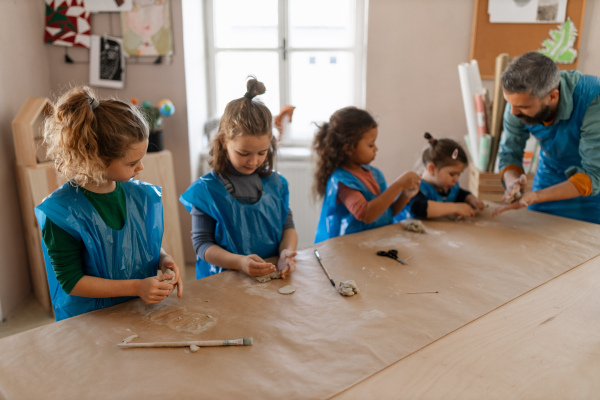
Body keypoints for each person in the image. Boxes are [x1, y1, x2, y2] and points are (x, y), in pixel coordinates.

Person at [35, 86, 183, 321]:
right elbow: (71, 281)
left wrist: (163, 258)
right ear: (94, 159)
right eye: (133, 162)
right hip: (91, 320)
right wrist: (137, 287)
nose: (140, 168)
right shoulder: (60, 212)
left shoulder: (141, 195)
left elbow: (140, 244)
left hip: (139, 309)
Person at [180, 77, 298, 280]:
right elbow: (202, 245)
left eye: (261, 153)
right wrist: (239, 262)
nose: (253, 161)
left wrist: (286, 252)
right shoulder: (205, 191)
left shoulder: (277, 184)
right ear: (224, 142)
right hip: (222, 282)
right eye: (244, 153)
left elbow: (288, 228)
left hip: (269, 276)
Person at [493, 51, 600, 223]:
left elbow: (594, 174)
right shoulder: (517, 103)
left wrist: (536, 196)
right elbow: (509, 154)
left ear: (552, 96)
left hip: (595, 185)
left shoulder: (594, 99)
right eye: (510, 104)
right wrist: (512, 182)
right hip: (550, 173)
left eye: (522, 107)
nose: (513, 112)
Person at [312, 106, 421, 243]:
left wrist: (405, 196)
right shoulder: (341, 181)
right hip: (348, 249)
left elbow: (386, 213)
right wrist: (398, 185)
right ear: (348, 149)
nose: (376, 148)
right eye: (371, 145)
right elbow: (366, 214)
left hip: (374, 242)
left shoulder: (375, 174)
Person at [398, 132, 485, 220]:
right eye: (452, 174)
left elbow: (459, 194)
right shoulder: (415, 187)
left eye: (459, 174)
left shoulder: (448, 187)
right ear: (432, 169)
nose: (456, 179)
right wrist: (455, 208)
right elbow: (418, 208)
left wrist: (470, 199)